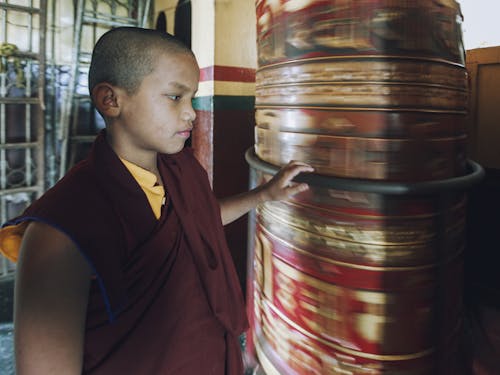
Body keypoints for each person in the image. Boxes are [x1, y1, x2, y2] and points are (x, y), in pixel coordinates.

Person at [0, 27, 313, 374]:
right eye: (175, 97)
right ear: (111, 100)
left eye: (193, 98)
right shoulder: (62, 229)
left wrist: (264, 195)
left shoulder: (182, 170)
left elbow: (200, 221)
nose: (192, 113)